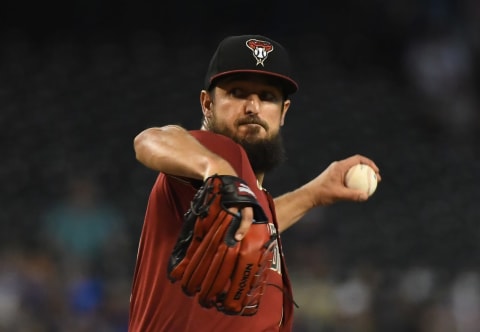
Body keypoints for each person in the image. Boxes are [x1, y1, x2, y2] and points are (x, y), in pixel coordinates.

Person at [128, 34, 381, 332]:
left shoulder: (243, 192)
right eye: (237, 92)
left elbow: (256, 224)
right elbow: (151, 139)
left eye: (267, 97)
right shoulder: (214, 153)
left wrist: (313, 194)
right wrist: (215, 167)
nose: (253, 107)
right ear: (207, 104)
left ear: (283, 111)